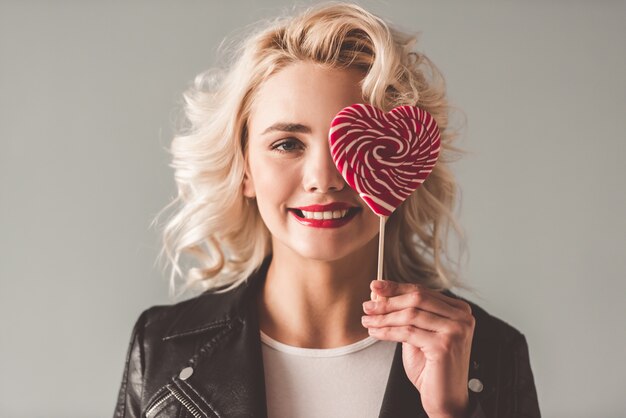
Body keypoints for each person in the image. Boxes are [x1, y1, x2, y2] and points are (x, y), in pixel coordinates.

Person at [113, 2, 540, 417]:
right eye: (287, 144)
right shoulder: (162, 347)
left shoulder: (491, 352)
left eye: (353, 145)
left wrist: (453, 414)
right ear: (244, 169)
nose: (325, 177)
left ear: (403, 167)